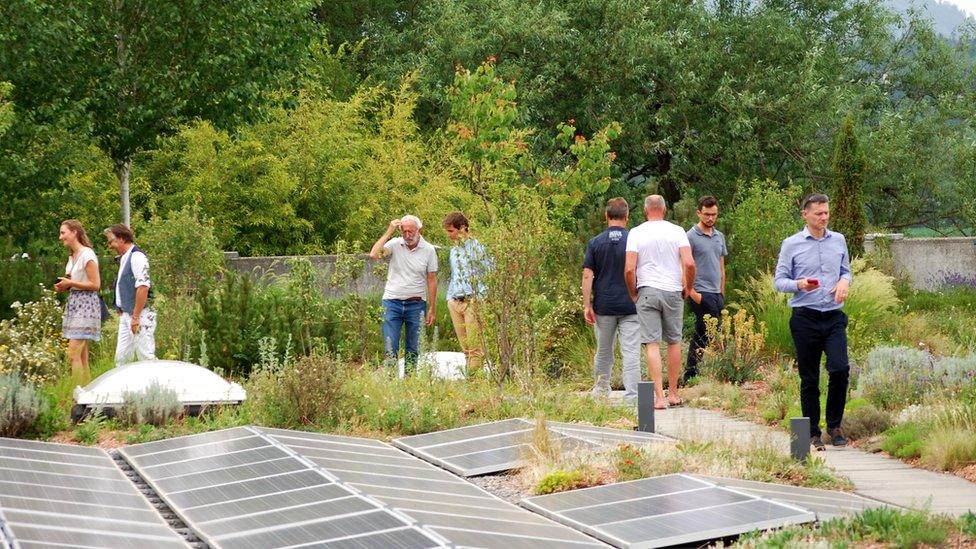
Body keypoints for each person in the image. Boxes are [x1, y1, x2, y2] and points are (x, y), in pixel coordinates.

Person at [774, 193, 852, 450]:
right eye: (818, 213)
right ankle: (812, 432)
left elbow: (846, 270)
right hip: (805, 317)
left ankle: (835, 426)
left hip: (833, 317)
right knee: (809, 379)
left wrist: (844, 282)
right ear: (805, 215)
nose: (824, 217)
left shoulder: (839, 240)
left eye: (826, 212)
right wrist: (799, 284)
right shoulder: (791, 244)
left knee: (840, 369)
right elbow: (779, 281)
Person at [625, 195, 695, 409]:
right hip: (673, 289)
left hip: (647, 289)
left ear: (646, 211)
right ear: (664, 210)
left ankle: (659, 398)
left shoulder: (636, 233)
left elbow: (629, 268)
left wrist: (633, 292)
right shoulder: (677, 231)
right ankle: (673, 393)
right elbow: (689, 263)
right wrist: (688, 287)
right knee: (674, 341)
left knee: (652, 343)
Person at [583, 197, 641, 402]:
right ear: (627, 216)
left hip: (604, 305)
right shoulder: (635, 241)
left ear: (606, 215)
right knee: (631, 352)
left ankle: (600, 391)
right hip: (631, 304)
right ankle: (633, 396)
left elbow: (588, 275)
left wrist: (587, 305)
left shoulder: (595, 242)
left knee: (604, 351)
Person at [369, 214, 438, 375]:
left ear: (419, 230)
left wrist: (432, 309)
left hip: (416, 303)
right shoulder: (394, 244)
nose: (407, 235)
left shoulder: (429, 250)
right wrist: (389, 231)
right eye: (404, 231)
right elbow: (373, 254)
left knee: (414, 346)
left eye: (410, 232)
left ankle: (410, 379)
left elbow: (432, 280)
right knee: (390, 345)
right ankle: (391, 380)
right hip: (392, 302)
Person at [685, 196, 728, 381]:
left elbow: (721, 267)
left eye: (714, 214)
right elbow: (684, 265)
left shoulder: (719, 237)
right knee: (705, 330)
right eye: (707, 214)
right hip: (699, 291)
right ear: (699, 213)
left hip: (716, 292)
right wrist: (691, 292)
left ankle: (697, 372)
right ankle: (692, 373)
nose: (711, 218)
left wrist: (722, 292)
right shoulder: (690, 236)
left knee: (706, 331)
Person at [55, 220, 101, 382]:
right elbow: (74, 279)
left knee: (73, 352)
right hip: (75, 303)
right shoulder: (72, 256)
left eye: (63, 233)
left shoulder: (87, 255)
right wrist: (64, 285)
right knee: (82, 355)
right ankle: (88, 394)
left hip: (86, 305)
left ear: (74, 232)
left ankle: (77, 391)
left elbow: (95, 284)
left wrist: (71, 283)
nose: (60, 237)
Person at [105, 224, 157, 366]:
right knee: (121, 360)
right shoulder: (124, 258)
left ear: (121, 239)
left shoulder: (137, 257)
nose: (109, 246)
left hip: (141, 315)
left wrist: (135, 317)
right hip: (127, 315)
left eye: (111, 241)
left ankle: (157, 387)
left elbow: (143, 287)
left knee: (146, 357)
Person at [443, 212, 488, 375]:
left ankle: (474, 381)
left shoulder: (477, 248)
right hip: (455, 301)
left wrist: (480, 298)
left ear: (462, 228)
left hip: (472, 300)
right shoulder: (454, 251)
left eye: (451, 231)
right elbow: (454, 275)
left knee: (475, 347)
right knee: (465, 347)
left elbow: (489, 272)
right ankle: (470, 379)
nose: (449, 235)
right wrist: (449, 298)